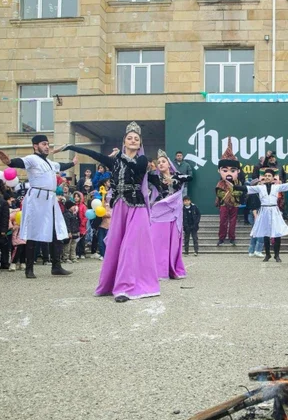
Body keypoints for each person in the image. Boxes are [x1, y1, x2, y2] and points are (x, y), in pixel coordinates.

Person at [56, 122, 160, 302]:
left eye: (136, 139)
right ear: (124, 141)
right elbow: (93, 154)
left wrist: (120, 155)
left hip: (137, 208)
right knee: (115, 246)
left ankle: (125, 288)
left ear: (140, 142)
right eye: (130, 138)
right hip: (120, 207)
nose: (133, 141)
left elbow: (137, 168)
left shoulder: (143, 160)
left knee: (129, 246)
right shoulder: (115, 161)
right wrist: (70, 146)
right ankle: (111, 284)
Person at [0, 135, 75, 278]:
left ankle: (56, 266)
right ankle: (29, 269)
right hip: (37, 198)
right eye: (44, 144)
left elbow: (61, 165)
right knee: (32, 232)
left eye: (48, 144)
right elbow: (19, 162)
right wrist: (9, 162)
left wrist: (73, 163)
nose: (47, 146)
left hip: (50, 199)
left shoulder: (50, 163)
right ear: (35, 146)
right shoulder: (32, 159)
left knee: (56, 231)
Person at [148, 149, 191, 280]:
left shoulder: (177, 176)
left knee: (172, 243)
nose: (161, 164)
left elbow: (190, 177)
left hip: (173, 214)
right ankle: (158, 271)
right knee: (158, 242)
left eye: (163, 161)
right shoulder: (155, 177)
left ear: (169, 163)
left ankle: (172, 269)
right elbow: (144, 175)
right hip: (160, 213)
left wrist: (174, 179)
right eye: (159, 162)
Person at [240, 168, 288, 262]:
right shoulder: (260, 187)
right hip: (264, 210)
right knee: (265, 234)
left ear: (272, 178)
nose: (267, 177)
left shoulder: (277, 187)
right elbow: (247, 188)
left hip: (274, 210)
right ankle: (267, 254)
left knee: (277, 233)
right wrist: (234, 187)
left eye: (269, 176)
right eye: (266, 176)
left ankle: (277, 255)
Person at [215, 139, 243, 246]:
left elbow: (239, 193)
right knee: (223, 222)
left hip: (234, 204)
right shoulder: (220, 183)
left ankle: (232, 238)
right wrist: (229, 195)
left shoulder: (238, 182)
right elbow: (219, 193)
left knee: (233, 222)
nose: (229, 173)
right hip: (223, 205)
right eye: (225, 170)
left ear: (238, 171)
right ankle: (221, 238)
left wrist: (233, 194)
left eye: (232, 170)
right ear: (220, 171)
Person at [245, 187, 265, 258]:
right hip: (255, 214)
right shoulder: (254, 195)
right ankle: (258, 250)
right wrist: (256, 216)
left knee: (255, 233)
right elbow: (253, 206)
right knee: (260, 232)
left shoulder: (257, 194)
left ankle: (251, 251)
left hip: (256, 214)